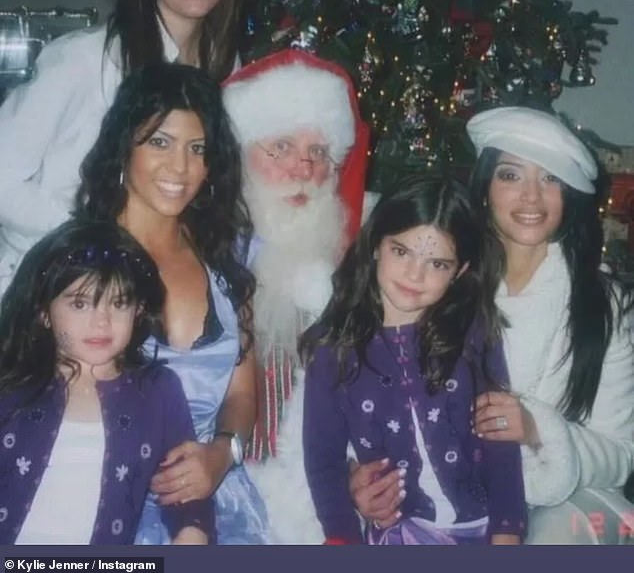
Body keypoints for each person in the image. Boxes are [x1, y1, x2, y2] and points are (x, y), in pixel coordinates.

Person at [351, 106, 634, 545]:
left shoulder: (607, 305)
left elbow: (619, 455)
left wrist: (539, 429)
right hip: (445, 501)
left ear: (571, 195)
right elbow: (368, 394)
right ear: (485, 188)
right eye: (511, 175)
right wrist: (363, 477)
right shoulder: (433, 281)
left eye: (550, 178)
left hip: (569, 505)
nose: (531, 198)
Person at [0, 0, 249, 298]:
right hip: (47, 290)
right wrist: (95, 236)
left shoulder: (229, 71)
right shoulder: (83, 58)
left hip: (150, 296)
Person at [74, 62, 269, 544]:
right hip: (101, 502)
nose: (180, 169)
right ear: (124, 147)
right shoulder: (75, 260)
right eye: (159, 142)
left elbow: (242, 394)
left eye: (197, 149)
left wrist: (222, 454)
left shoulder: (226, 257)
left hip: (223, 504)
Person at [300, 176, 527, 545]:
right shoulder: (333, 346)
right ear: (376, 245)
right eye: (402, 251)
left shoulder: (474, 330)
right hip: (399, 536)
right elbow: (323, 460)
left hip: (484, 529)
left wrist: (506, 535)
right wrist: (342, 539)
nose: (415, 274)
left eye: (437, 264)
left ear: (461, 271)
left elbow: (500, 440)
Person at [221, 48, 370, 543]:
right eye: (281, 147)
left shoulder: (362, 277)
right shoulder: (201, 262)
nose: (303, 169)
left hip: (322, 503)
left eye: (319, 153)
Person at [0, 219, 211, 545]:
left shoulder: (157, 391)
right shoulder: (11, 383)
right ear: (44, 311)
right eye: (80, 303)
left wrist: (191, 532)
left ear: (139, 310)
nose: (101, 321)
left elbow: (186, 487)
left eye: (118, 303)